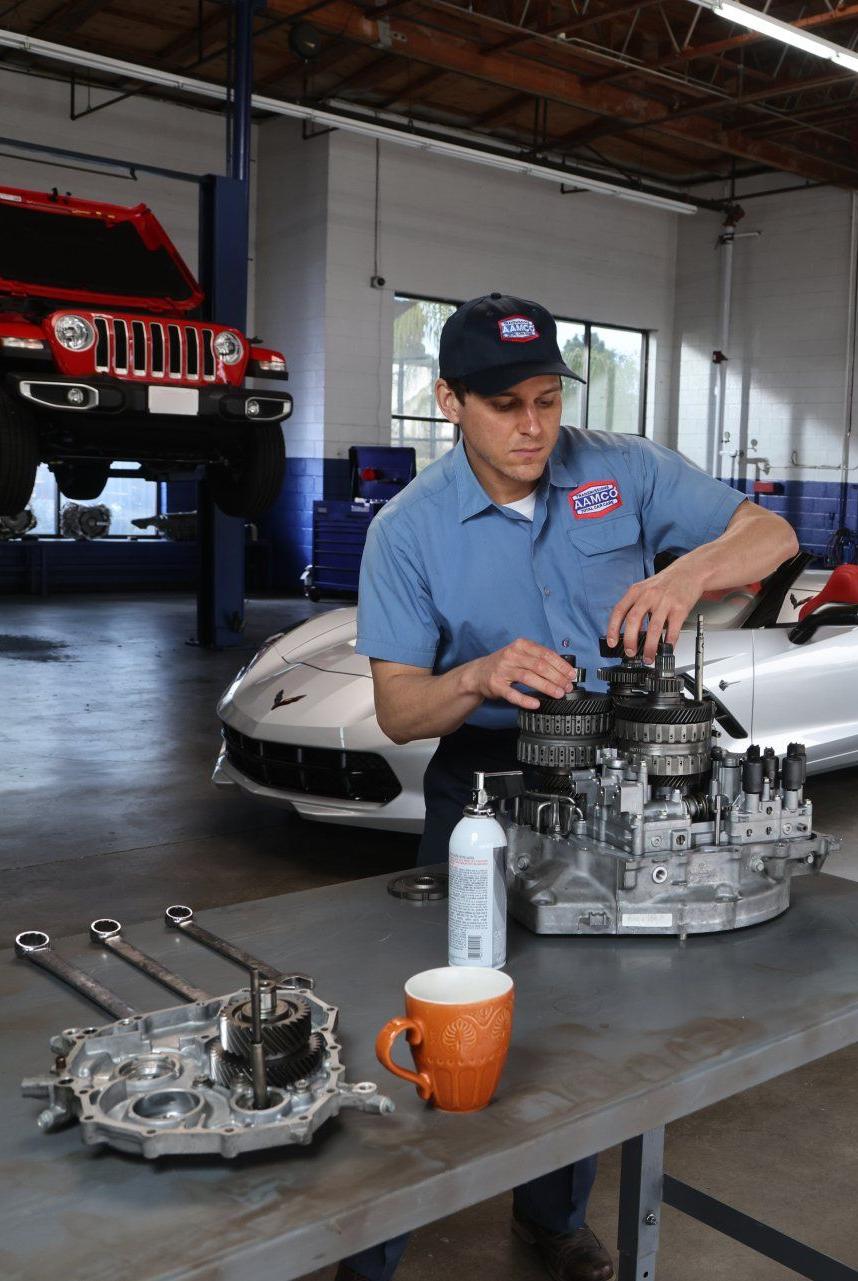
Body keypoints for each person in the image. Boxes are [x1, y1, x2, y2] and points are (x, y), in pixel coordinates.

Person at [340, 293, 798, 1281]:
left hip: (610, 780)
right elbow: (398, 712)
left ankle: (551, 1221)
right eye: (506, 406)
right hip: (483, 792)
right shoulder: (408, 532)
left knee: (589, 1020)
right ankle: (369, 1250)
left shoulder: (620, 470)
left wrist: (690, 576)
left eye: (547, 399)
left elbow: (772, 536)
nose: (534, 427)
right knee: (445, 1008)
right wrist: (474, 675)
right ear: (449, 400)